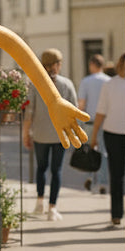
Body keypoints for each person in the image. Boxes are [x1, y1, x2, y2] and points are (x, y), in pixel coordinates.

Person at [22, 49, 79, 221]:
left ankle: (39, 203)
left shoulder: (35, 84)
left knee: (41, 168)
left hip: (40, 134)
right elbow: (74, 110)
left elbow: (29, 112)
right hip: (60, 135)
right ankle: (52, 209)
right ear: (57, 65)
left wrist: (26, 133)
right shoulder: (67, 84)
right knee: (57, 170)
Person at [90, 53, 125, 228]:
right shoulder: (109, 85)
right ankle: (116, 214)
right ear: (120, 64)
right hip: (113, 134)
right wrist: (94, 135)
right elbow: (101, 112)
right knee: (116, 176)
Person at [78, 54, 110, 193]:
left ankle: (90, 177)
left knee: (89, 150)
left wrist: (79, 123)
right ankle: (103, 183)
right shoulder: (109, 81)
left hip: (90, 121)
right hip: (106, 121)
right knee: (103, 152)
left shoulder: (86, 81)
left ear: (92, 65)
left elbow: (81, 104)